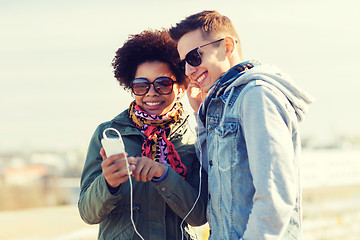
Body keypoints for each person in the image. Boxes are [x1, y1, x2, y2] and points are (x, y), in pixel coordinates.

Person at [169, 10, 313, 239]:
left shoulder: (257, 96)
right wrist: (201, 114)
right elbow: (214, 182)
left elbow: (275, 195)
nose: (188, 71)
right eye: (183, 64)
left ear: (227, 46)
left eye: (195, 57)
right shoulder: (224, 103)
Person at [78, 29, 208, 240]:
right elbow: (87, 213)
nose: (151, 93)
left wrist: (164, 174)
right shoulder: (108, 134)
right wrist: (108, 183)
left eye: (163, 84)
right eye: (141, 85)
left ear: (181, 87)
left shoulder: (195, 137)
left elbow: (199, 215)